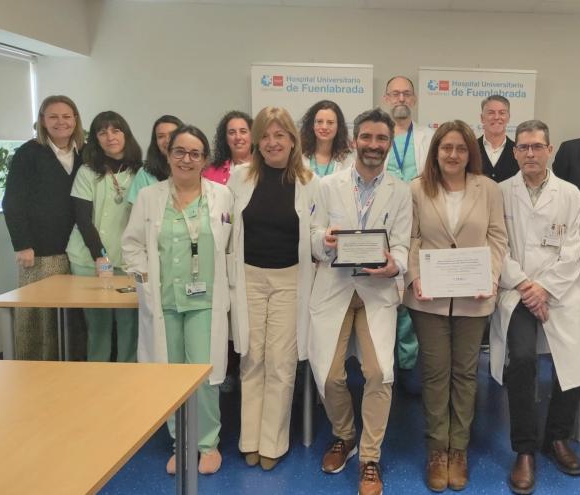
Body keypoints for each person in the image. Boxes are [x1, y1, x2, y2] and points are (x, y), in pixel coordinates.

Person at [308, 108, 412, 495]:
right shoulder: (327, 185)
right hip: (335, 286)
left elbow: (402, 243)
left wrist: (394, 264)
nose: (373, 145)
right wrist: (325, 241)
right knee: (329, 373)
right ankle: (345, 436)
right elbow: (313, 236)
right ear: (354, 141)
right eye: (366, 138)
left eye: (381, 139)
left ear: (390, 143)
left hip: (376, 291)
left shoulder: (400, 191)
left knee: (379, 372)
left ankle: (370, 457)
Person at [121, 125, 234, 475]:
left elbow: (232, 247)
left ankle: (207, 444)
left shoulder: (222, 196)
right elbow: (131, 244)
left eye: (195, 153)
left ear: (205, 159)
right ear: (168, 156)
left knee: (203, 374)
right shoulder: (149, 197)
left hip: (205, 301)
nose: (187, 159)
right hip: (165, 299)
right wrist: (143, 278)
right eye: (179, 152)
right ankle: (180, 442)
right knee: (169, 373)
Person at [490, 120, 580, 494]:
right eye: (523, 147)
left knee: (576, 352)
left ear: (549, 150)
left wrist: (545, 289)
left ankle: (557, 437)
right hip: (516, 289)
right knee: (521, 359)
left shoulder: (571, 194)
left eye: (537, 146)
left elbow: (575, 249)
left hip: (560, 291)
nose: (530, 153)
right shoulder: (500, 192)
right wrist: (523, 285)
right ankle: (525, 449)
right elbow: (496, 247)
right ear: (515, 152)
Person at [405, 120, 507, 492]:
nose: (453, 154)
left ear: (470, 153)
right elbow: (411, 237)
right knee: (434, 373)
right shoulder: (416, 189)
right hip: (428, 298)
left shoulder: (489, 190)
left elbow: (497, 237)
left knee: (465, 374)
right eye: (446, 147)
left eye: (460, 148)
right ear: (436, 151)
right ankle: (437, 450)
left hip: (473, 297)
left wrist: (491, 276)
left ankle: (458, 450)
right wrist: (416, 275)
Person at [226, 106, 318, 470]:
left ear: (293, 139)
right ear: (256, 141)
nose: (271, 142)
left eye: (280, 135)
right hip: (248, 278)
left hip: (290, 280)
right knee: (251, 358)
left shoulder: (310, 182)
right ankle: (249, 438)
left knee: (281, 363)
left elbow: (315, 236)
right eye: (265, 135)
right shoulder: (239, 177)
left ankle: (273, 442)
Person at [2, 95, 86, 360]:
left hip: (78, 250)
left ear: (75, 120)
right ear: (42, 121)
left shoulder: (84, 153)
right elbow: (12, 201)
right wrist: (23, 245)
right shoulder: (29, 153)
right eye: (53, 116)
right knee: (40, 318)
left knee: (74, 318)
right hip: (40, 252)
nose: (61, 122)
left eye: (66, 116)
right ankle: (34, 372)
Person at [66, 111, 142, 363]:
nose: (110, 137)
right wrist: (100, 256)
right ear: (96, 138)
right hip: (90, 260)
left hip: (127, 260)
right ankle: (96, 384)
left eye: (116, 130)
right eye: (102, 132)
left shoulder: (139, 172)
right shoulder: (87, 172)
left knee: (129, 327)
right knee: (98, 327)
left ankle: (127, 381)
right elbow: (82, 219)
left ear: (125, 134)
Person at [382, 75, 435, 391]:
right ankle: (386, 369)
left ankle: (410, 369)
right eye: (395, 93)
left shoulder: (429, 137)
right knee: (386, 300)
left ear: (413, 100)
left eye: (406, 93)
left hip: (420, 227)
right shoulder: (374, 135)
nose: (400, 98)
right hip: (384, 228)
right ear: (386, 98)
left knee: (414, 296)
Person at [126, 115, 183, 204]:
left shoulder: (196, 169)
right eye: (161, 136)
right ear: (156, 142)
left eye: (172, 135)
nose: (167, 140)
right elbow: (138, 212)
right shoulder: (145, 174)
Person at [300, 99, 354, 177]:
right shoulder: (299, 159)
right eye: (319, 122)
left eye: (330, 122)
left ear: (338, 126)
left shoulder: (348, 162)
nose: (324, 127)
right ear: (312, 125)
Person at [203, 110, 253, 185]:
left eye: (243, 131)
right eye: (232, 132)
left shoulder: (263, 169)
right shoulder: (210, 172)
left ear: (253, 135)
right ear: (225, 138)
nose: (238, 137)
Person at [478, 95, 518, 183]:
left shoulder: (519, 151)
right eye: (491, 113)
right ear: (482, 118)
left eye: (502, 113)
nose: (496, 117)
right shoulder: (470, 149)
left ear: (508, 117)